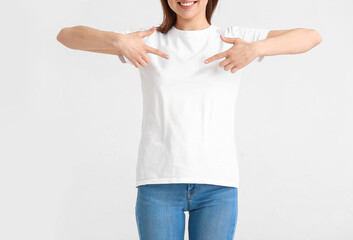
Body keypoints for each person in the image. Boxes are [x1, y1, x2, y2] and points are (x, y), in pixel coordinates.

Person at [57, 0, 322, 239]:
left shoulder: (233, 39)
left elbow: (311, 37)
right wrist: (118, 41)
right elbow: (66, 36)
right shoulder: (147, 41)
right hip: (158, 182)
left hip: (217, 184)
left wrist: (255, 49)